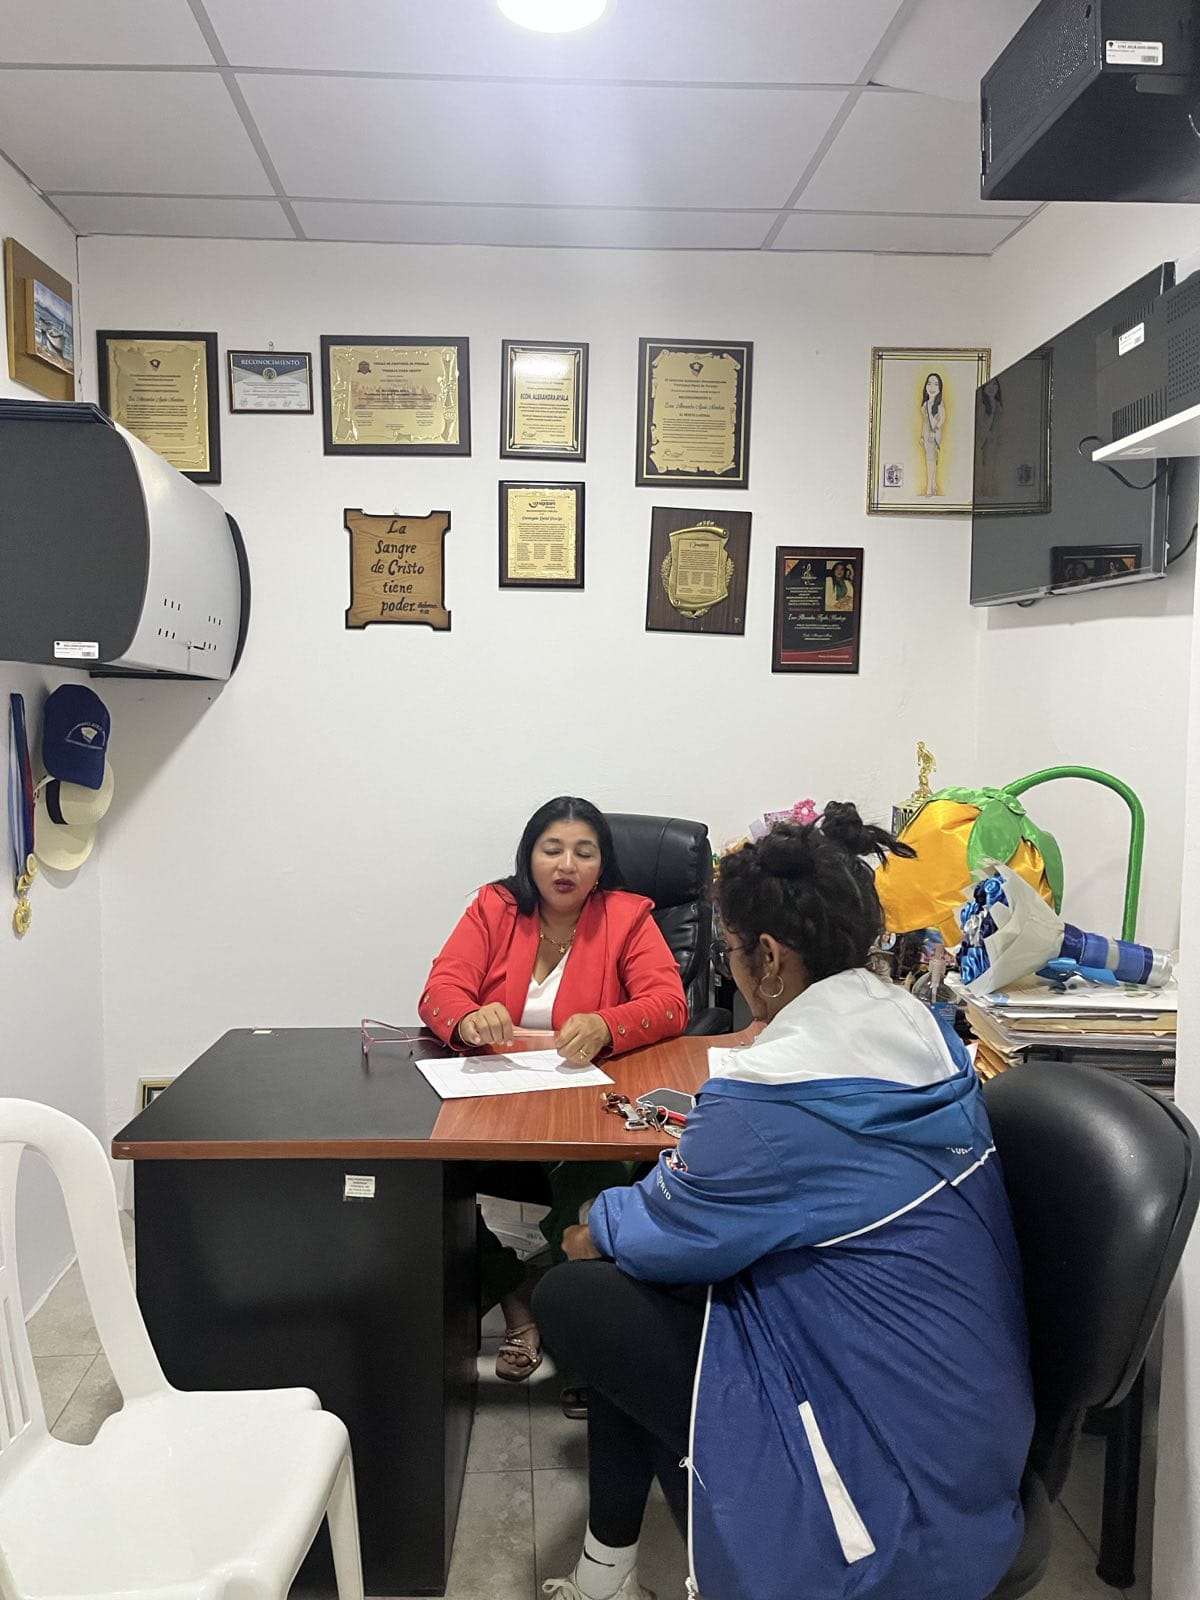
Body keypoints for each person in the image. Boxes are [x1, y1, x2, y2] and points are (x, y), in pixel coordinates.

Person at [534, 803, 1033, 1600]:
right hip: (964, 1428)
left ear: (769, 956)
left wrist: (592, 1222)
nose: (730, 966)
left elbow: (665, 1227)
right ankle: (607, 1568)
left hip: (894, 1504)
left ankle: (672, 1561)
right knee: (642, 1304)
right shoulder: (920, 1027)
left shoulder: (774, 1098)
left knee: (577, 1294)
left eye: (731, 950)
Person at [419, 796, 688, 1386]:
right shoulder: (494, 907)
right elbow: (440, 989)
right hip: (494, 1097)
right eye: (553, 849)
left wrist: (608, 1025)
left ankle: (584, 1339)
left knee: (594, 1180)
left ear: (602, 865)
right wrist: (467, 1019)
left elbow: (669, 1003)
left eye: (584, 852)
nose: (567, 865)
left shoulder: (626, 916)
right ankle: (517, 1291)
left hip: (584, 1098)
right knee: (416, 1181)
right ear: (529, 855)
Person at [920, 371, 946, 496]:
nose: (932, 387)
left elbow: (942, 419)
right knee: (931, 459)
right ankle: (933, 484)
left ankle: (929, 487)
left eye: (936, 384)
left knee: (930, 459)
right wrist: (922, 435)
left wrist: (934, 431)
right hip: (926, 432)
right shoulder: (926, 403)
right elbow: (925, 422)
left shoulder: (939, 403)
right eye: (929, 384)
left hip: (934, 433)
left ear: (940, 388)